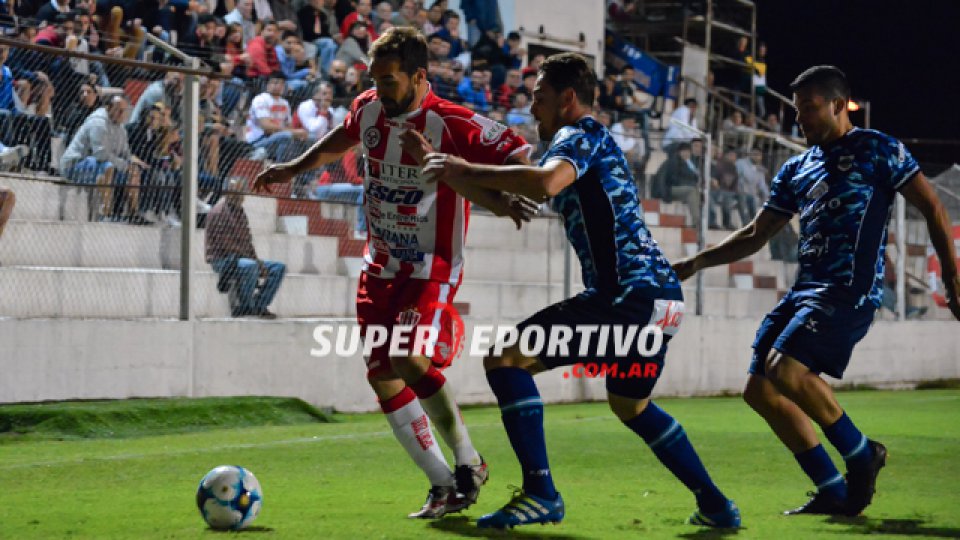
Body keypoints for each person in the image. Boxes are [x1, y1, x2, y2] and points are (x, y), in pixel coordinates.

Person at [420, 52, 740, 530]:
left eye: (540, 99)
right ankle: (716, 504)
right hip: (661, 298)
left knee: (506, 357)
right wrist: (452, 166)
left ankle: (540, 493)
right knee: (630, 405)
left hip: (628, 294)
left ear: (568, 99)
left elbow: (545, 182)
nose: (533, 110)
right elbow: (519, 176)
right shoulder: (572, 145)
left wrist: (463, 167)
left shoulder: (579, 134)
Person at [253, 26, 536, 520]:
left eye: (389, 81)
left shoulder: (451, 122)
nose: (380, 89)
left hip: (431, 266)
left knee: (408, 358)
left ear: (419, 77)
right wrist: (287, 170)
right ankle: (442, 483)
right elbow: (334, 144)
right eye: (375, 79)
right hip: (379, 265)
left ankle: (469, 462)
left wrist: (502, 194)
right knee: (381, 376)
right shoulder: (368, 108)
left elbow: (519, 154)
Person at [672, 65, 960, 517]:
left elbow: (933, 207)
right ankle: (830, 487)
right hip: (805, 290)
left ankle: (862, 453)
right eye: (796, 110)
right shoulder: (796, 168)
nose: (800, 119)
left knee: (787, 373)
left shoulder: (878, 149)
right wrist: (694, 262)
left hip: (850, 289)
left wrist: (953, 276)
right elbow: (754, 234)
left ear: (839, 104)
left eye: (809, 108)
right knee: (760, 392)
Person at [205, 177, 286, 319]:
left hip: (241, 257)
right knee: (250, 266)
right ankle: (245, 307)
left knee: (278, 268)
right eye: (236, 192)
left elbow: (247, 241)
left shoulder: (240, 212)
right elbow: (227, 245)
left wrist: (258, 260)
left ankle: (260, 305)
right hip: (222, 259)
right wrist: (255, 262)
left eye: (241, 192)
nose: (240, 196)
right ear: (227, 192)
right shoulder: (218, 212)